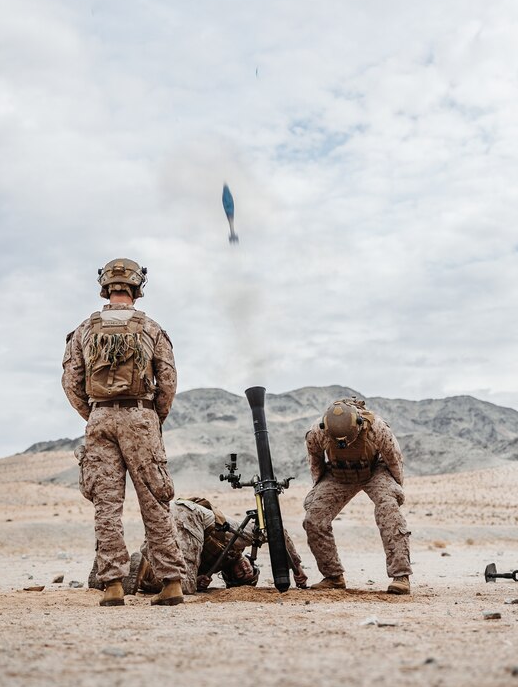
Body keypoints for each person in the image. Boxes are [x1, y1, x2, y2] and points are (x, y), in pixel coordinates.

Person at [62, 258, 186, 607]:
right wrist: (150, 418)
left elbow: (71, 382)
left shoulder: (85, 329)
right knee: (155, 500)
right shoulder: (150, 328)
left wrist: (95, 414)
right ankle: (172, 582)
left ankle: (113, 585)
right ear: (136, 288)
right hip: (141, 417)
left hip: (100, 419)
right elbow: (168, 381)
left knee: (106, 504)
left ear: (106, 286)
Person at [85, 493, 308, 594]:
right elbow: (275, 528)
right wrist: (296, 567)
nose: (245, 570)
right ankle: (137, 569)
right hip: (189, 515)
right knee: (184, 587)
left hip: (168, 531)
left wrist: (200, 580)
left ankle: (109, 572)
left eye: (242, 577)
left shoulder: (211, 569)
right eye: (251, 571)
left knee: (165, 578)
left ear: (229, 578)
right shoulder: (241, 538)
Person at [302, 397, 411, 594]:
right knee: (314, 518)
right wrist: (318, 494)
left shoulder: (376, 427)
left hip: (373, 470)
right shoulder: (316, 432)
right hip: (338, 473)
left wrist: (395, 492)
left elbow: (393, 459)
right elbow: (315, 463)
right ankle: (333, 577)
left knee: (390, 511)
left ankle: (400, 576)